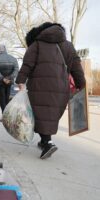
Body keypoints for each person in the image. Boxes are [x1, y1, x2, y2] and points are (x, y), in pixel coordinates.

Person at [16, 22, 86, 159]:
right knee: (49, 114)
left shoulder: (36, 44)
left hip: (39, 86)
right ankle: (44, 141)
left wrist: (20, 81)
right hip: (61, 89)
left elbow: (27, 64)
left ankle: (48, 142)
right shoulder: (68, 46)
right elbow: (77, 67)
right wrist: (81, 84)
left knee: (40, 114)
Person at [0, 45, 19, 112]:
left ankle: (4, 113)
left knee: (2, 98)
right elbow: (16, 69)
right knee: (7, 97)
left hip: (0, 82)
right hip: (9, 82)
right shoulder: (13, 58)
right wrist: (10, 77)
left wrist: (3, 78)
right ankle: (8, 113)